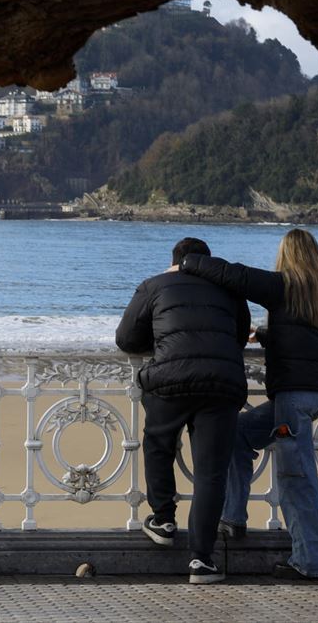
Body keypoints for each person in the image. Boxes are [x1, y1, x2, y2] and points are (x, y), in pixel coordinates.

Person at [179, 228, 318, 581]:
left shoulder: (283, 285)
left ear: (287, 256)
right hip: (315, 395)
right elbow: (313, 336)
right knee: (238, 435)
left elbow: (232, 274)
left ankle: (311, 562)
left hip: (293, 397)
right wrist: (268, 336)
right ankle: (233, 517)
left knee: (296, 480)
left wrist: (187, 262)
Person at [116, 237, 250, 584]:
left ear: (174, 261)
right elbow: (237, 337)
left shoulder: (155, 285)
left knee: (159, 443)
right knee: (211, 473)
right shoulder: (231, 289)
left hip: (170, 381)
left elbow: (126, 339)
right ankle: (202, 560)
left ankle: (163, 518)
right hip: (222, 385)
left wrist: (163, 342)